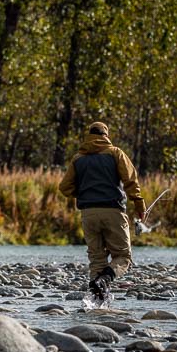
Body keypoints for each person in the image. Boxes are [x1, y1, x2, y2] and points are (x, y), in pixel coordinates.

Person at [59, 121, 146, 300]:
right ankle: (105, 280)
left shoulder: (78, 159)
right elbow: (130, 180)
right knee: (123, 257)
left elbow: (64, 187)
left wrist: (83, 193)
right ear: (106, 135)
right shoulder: (116, 153)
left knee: (97, 259)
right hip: (113, 210)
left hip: (88, 214)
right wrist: (139, 204)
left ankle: (96, 302)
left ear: (88, 136)